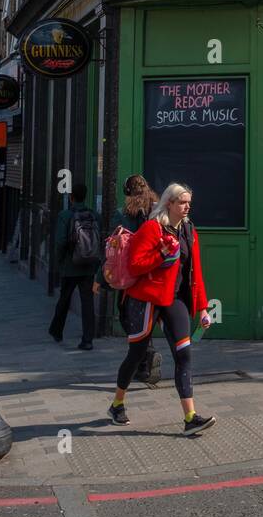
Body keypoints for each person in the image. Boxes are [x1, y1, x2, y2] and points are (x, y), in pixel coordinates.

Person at [108, 182, 216, 436]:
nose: (187, 206)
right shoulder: (151, 229)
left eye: (189, 202)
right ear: (169, 203)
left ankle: (190, 418)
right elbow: (135, 265)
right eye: (182, 202)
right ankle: (117, 403)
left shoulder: (189, 230)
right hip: (147, 298)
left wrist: (202, 308)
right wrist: (161, 255)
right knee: (136, 354)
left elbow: (195, 272)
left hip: (175, 300)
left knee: (184, 355)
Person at [93, 175, 162, 386]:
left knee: (127, 318)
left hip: (129, 276)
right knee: (147, 317)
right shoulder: (158, 212)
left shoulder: (123, 215)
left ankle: (145, 357)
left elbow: (111, 251)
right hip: (153, 272)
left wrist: (99, 279)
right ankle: (145, 360)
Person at [48, 182, 100, 350]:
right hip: (89, 265)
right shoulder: (93, 215)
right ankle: (88, 339)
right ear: (85, 196)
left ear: (71, 197)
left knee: (65, 298)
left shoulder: (65, 215)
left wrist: (60, 260)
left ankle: (57, 331)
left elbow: (61, 241)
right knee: (87, 302)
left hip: (70, 265)